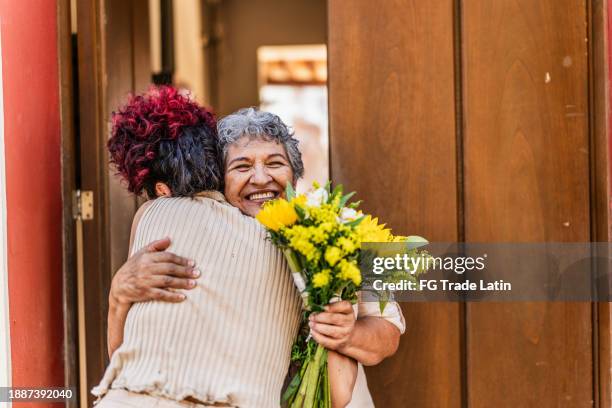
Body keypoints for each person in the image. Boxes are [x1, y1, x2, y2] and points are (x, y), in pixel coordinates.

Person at [92, 87, 356, 408]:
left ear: (295, 176)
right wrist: (118, 295)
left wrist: (344, 331)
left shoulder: (323, 244)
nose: (260, 178)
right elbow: (126, 355)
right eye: (242, 167)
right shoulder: (166, 222)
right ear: (220, 178)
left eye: (274, 163)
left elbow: (385, 332)